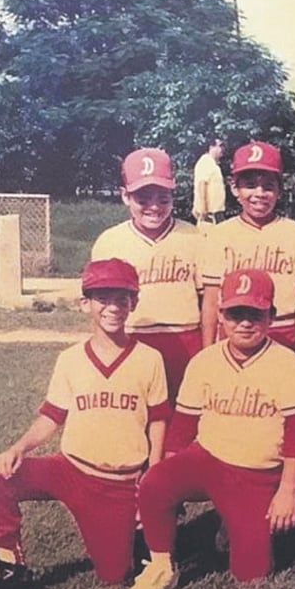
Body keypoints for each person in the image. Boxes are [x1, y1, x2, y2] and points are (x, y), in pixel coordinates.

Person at [0, 259, 169, 589]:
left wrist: (152, 474)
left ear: (134, 303)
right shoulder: (71, 359)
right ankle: (13, 569)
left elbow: (158, 420)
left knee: (114, 575)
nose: (112, 306)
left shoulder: (149, 358)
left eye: (122, 298)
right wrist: (18, 448)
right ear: (86, 303)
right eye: (103, 297)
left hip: (118, 482)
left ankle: (140, 534)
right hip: (70, 469)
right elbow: (52, 416)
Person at [124, 269, 295, 589]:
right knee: (154, 482)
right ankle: (162, 566)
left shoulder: (289, 364)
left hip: (257, 474)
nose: (245, 323)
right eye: (236, 313)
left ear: (271, 316)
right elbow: (182, 428)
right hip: (208, 459)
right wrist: (167, 483)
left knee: (251, 574)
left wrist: (287, 491)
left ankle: (233, 523)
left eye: (255, 313)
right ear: (221, 314)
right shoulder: (205, 360)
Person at [93, 147, 203, 404]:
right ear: (125, 196)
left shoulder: (193, 236)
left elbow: (206, 301)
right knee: (134, 417)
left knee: (184, 417)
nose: (154, 207)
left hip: (185, 338)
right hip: (131, 338)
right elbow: (99, 308)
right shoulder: (109, 242)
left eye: (163, 198)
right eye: (143, 198)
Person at [199, 141, 295, 360]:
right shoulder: (219, 235)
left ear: (280, 189)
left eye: (268, 186)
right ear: (235, 188)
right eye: (250, 185)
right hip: (234, 334)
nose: (259, 193)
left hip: (284, 330)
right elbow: (210, 301)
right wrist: (207, 354)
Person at [192, 138, 226, 228]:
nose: (222, 149)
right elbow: (202, 184)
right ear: (211, 147)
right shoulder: (205, 162)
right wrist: (204, 209)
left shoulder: (213, 164)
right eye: (220, 146)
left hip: (216, 212)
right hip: (209, 215)